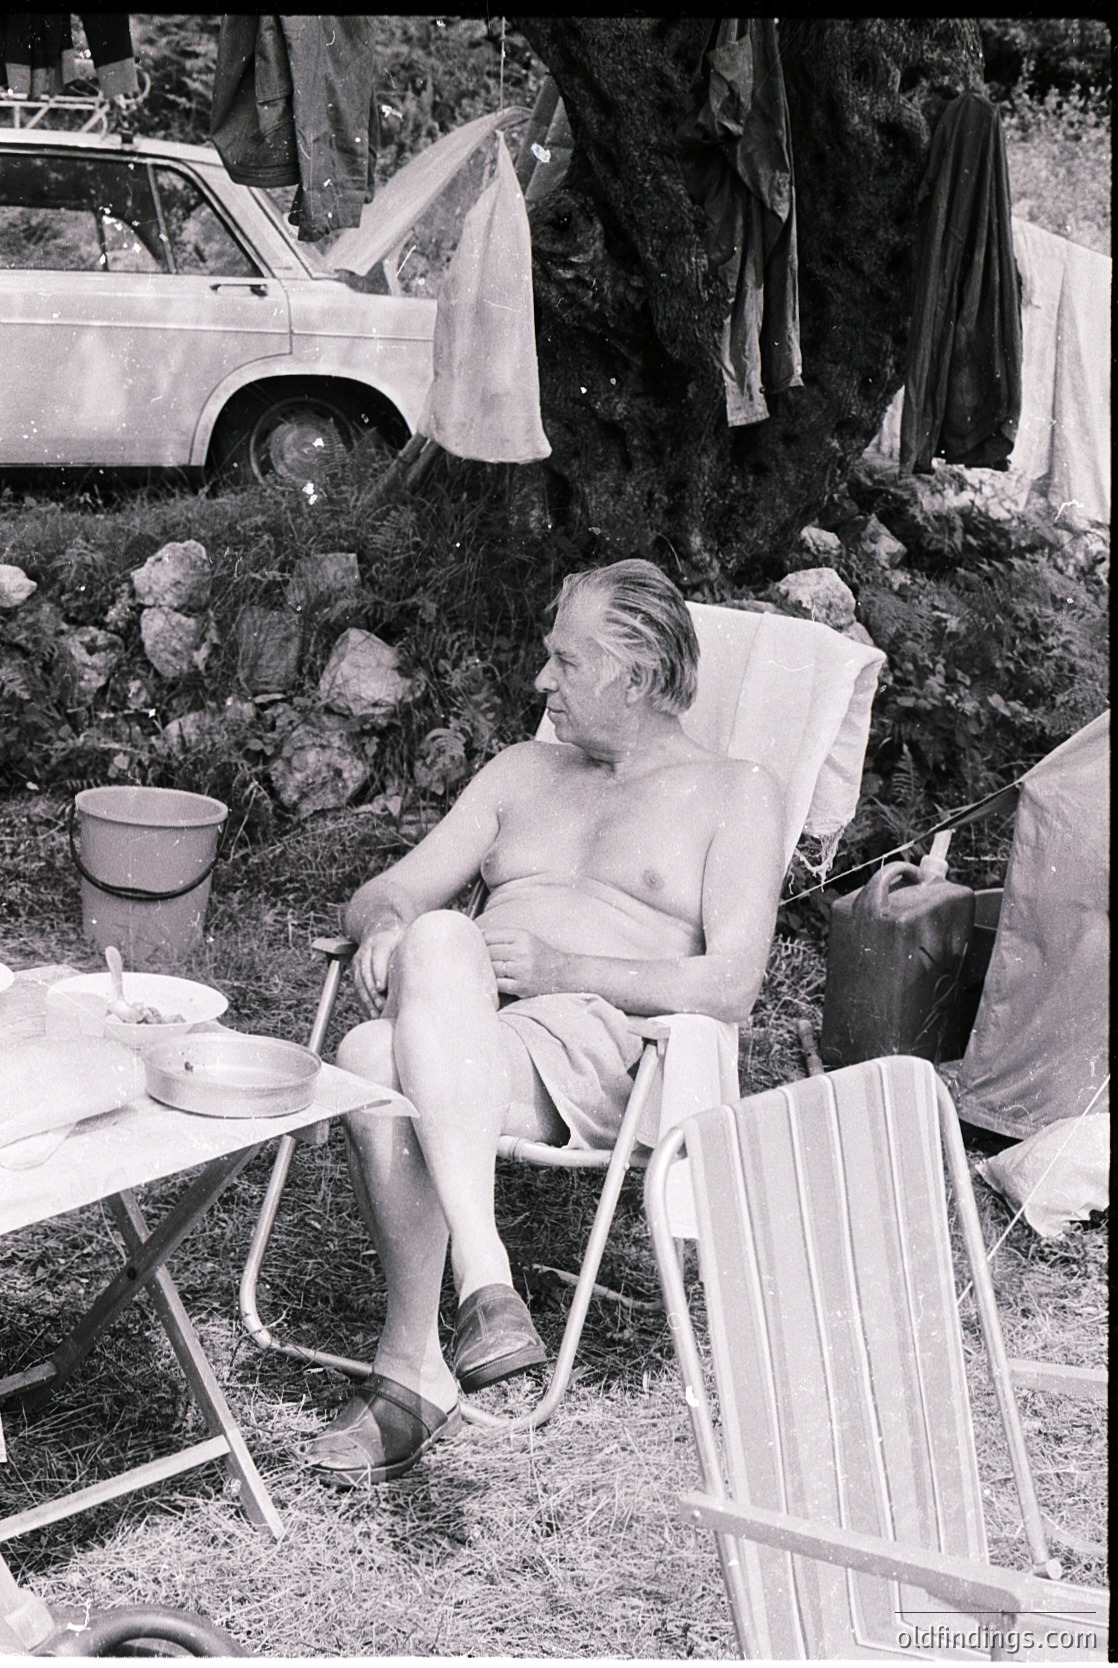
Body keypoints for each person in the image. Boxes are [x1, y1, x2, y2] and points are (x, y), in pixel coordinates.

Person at [306, 559, 785, 1487]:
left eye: (565, 663)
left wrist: (567, 969)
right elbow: (391, 887)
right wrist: (389, 927)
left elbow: (731, 986)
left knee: (394, 1024)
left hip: (598, 1050)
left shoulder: (735, 792)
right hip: (471, 1026)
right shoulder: (523, 770)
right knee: (388, 1012)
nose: (541, 684)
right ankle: (469, 1309)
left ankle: (421, 1354)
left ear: (636, 676)